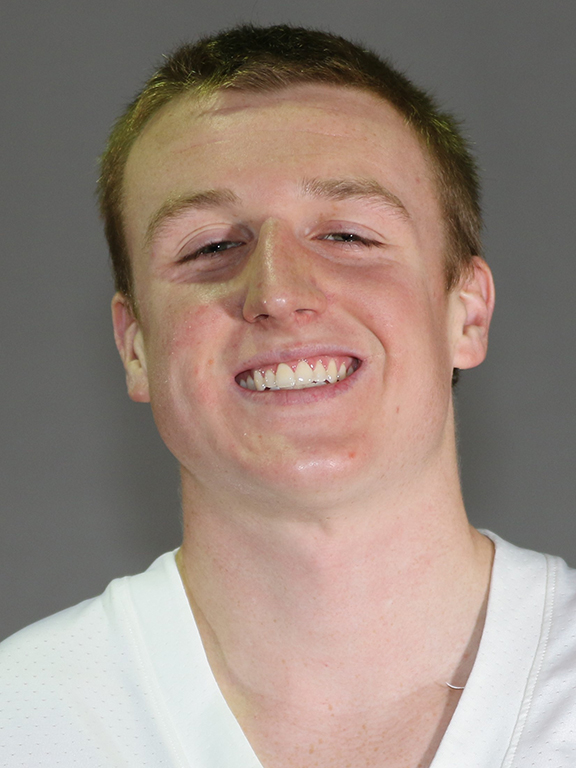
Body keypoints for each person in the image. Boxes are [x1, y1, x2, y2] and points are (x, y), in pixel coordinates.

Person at [1, 23, 575, 768]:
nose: (276, 292)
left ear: (466, 315)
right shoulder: (21, 722)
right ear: (135, 346)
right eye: (211, 246)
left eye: (347, 236)